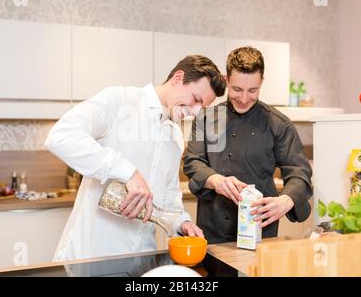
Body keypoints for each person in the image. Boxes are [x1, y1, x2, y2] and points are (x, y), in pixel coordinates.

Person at [44, 55, 226, 261]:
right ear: (178, 78)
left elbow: (168, 195)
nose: (194, 111)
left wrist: (181, 222)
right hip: (92, 256)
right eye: (196, 99)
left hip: (140, 258)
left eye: (202, 108)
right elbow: (61, 136)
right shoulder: (120, 101)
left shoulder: (174, 136)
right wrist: (128, 172)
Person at [183, 46, 313, 244]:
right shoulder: (206, 118)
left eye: (252, 90)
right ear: (227, 80)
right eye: (237, 89)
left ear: (262, 82)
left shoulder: (278, 124)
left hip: (260, 231)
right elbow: (193, 161)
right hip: (212, 230)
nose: (244, 99)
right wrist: (215, 179)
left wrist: (286, 200)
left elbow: (299, 172)